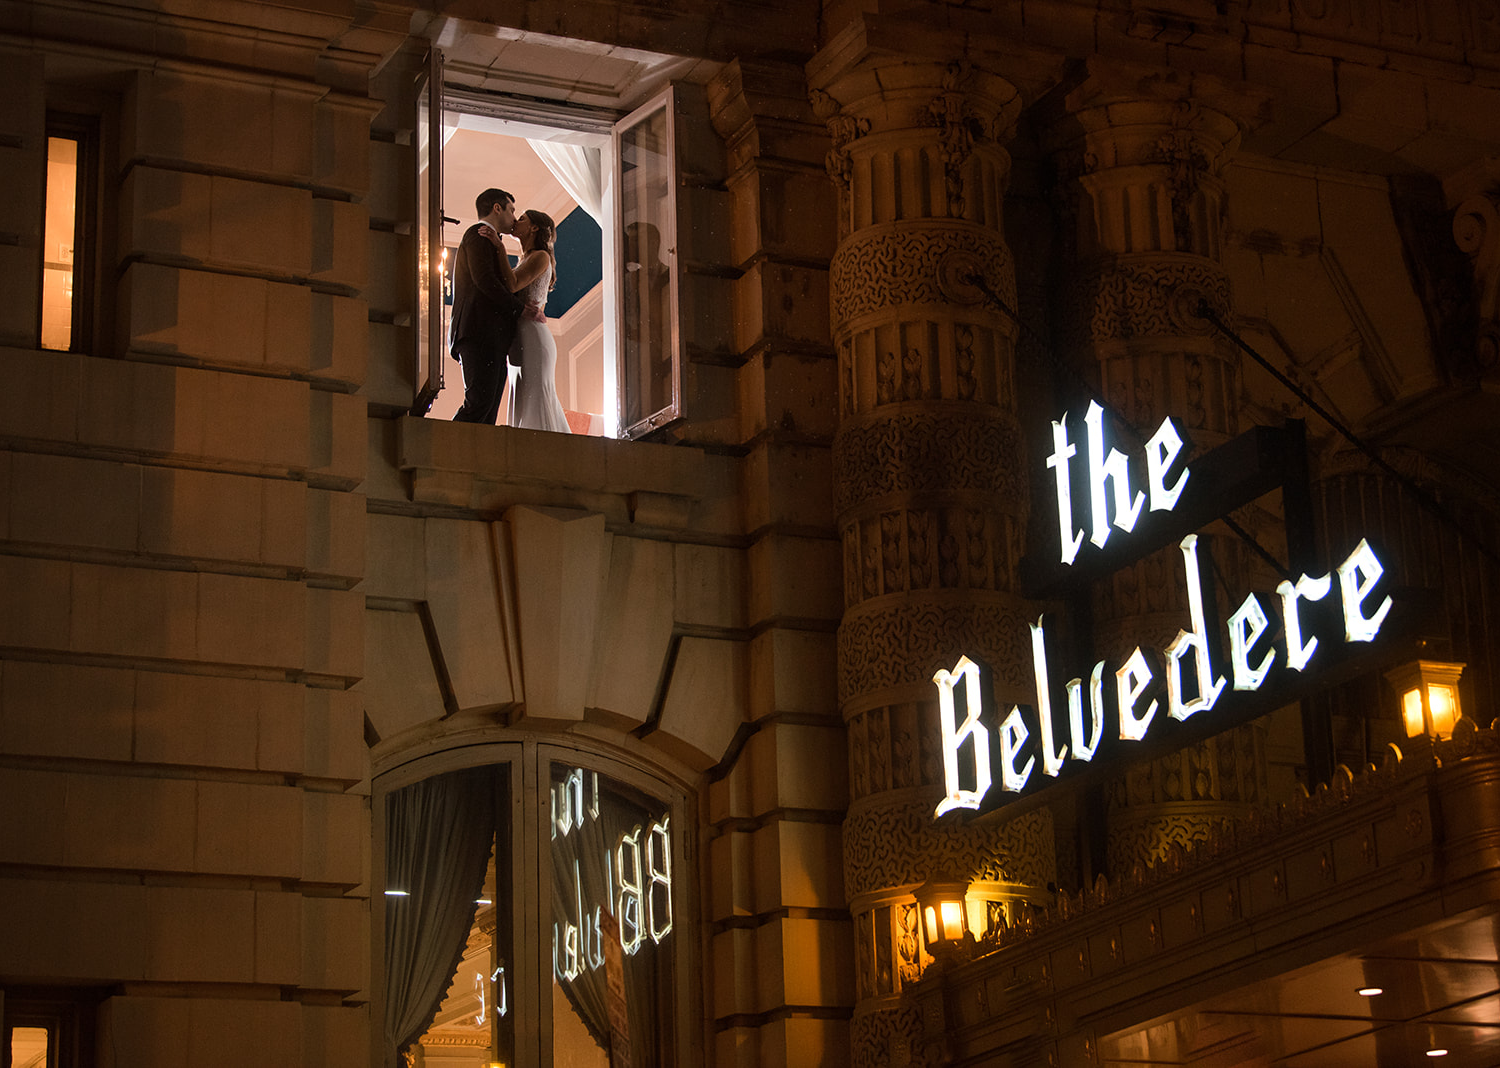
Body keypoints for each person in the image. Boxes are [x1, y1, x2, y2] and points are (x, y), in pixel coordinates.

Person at [479, 208, 570, 433]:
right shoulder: (526, 259)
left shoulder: (540, 256)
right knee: (522, 393)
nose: (516, 221)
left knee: (535, 394)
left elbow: (512, 285)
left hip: (534, 337)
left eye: (522, 219)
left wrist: (499, 247)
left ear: (534, 227)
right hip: (520, 336)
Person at [449, 188, 524, 424]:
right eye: (511, 210)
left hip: (488, 336)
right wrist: (519, 309)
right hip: (478, 333)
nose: (514, 217)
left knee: (488, 409)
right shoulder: (477, 234)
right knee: (479, 403)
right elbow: (484, 280)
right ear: (497, 208)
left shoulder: (491, 240)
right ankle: (442, 450)